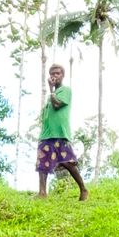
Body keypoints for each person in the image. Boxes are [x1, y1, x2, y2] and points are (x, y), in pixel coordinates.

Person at [37, 64, 88, 201]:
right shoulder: (50, 97)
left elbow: (57, 104)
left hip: (61, 133)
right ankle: (42, 192)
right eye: (52, 73)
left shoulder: (66, 90)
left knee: (68, 162)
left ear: (62, 75)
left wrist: (51, 90)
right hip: (47, 134)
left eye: (57, 73)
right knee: (42, 162)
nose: (54, 76)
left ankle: (83, 189)